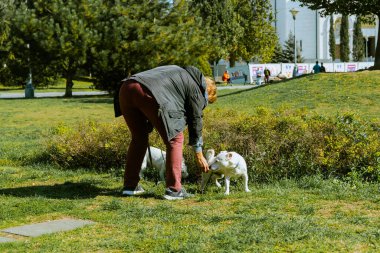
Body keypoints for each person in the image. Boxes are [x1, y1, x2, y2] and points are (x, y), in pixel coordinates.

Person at [115, 65, 217, 200]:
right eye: (206, 102)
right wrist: (199, 154)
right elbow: (195, 120)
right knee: (175, 138)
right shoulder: (196, 89)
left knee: (139, 139)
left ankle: (130, 186)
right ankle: (174, 190)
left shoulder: (178, 73)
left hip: (126, 88)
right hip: (147, 91)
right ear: (207, 91)